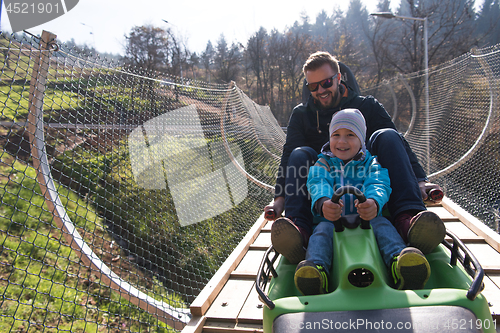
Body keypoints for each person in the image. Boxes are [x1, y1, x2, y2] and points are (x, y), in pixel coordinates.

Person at [266, 51, 445, 265]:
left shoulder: (367, 106)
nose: (320, 91)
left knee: (387, 135)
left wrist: (420, 180)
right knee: (299, 152)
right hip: (323, 182)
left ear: (338, 78)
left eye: (325, 83)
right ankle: (299, 230)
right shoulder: (302, 114)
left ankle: (409, 219)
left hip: (365, 177)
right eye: (312, 87)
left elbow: (399, 144)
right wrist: (279, 199)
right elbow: (288, 158)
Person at [294, 109, 430, 295]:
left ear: (361, 140)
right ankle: (316, 270)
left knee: (383, 226)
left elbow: (378, 182)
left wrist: (374, 202)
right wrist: (324, 202)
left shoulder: (370, 163)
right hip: (333, 219)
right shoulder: (323, 163)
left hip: (367, 217)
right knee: (321, 233)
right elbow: (317, 181)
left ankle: (400, 261)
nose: (342, 141)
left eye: (350, 135)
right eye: (336, 135)